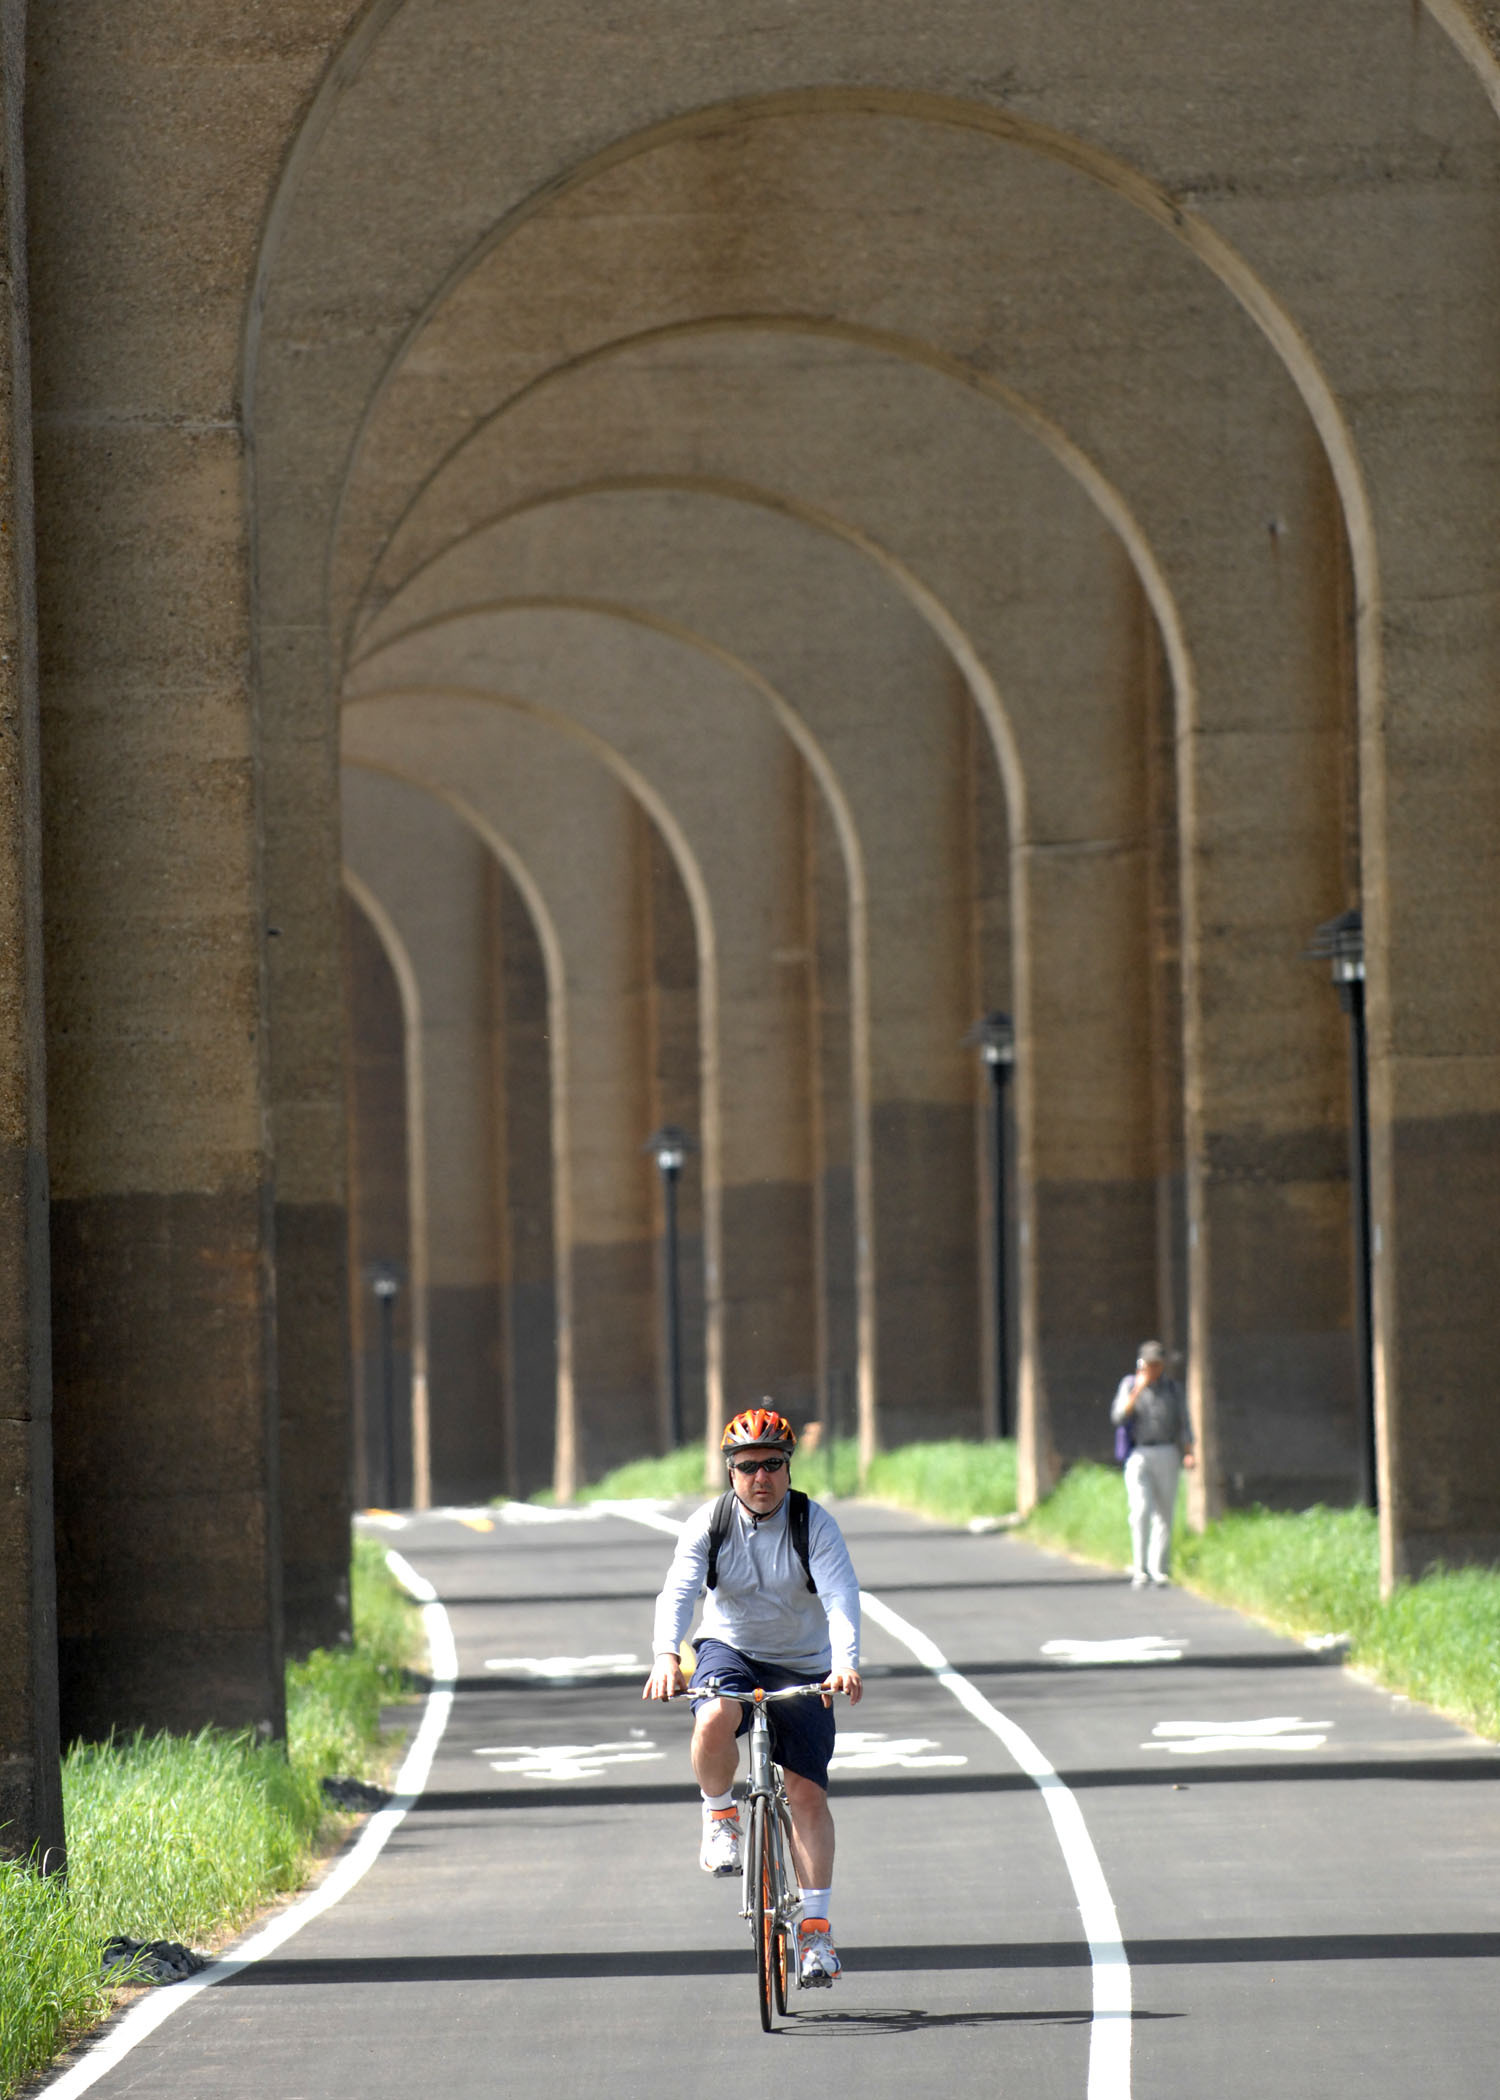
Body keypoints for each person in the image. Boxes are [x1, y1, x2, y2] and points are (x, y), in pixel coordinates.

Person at [643, 1405, 863, 1988]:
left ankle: (814, 1933)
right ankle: (720, 1816)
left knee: (807, 1795)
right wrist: (666, 1655)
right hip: (731, 1649)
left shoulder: (813, 1524)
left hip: (805, 1660)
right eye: (747, 1467)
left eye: (771, 1464)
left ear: (788, 1468)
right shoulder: (709, 1524)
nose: (760, 1477)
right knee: (715, 1712)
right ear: (730, 1472)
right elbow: (679, 1591)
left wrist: (845, 1663)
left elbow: (841, 1595)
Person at [1110, 1340, 1196, 1588]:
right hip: (1139, 1453)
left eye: (1157, 1364)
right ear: (1141, 1364)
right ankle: (1140, 1568)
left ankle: (1159, 1568)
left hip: (1167, 1451)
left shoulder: (1173, 1389)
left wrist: (1188, 1452)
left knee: (1164, 1513)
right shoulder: (1129, 1385)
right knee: (1140, 1510)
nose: (1154, 1369)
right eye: (1149, 1364)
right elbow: (1118, 1417)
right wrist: (1138, 1389)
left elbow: (1184, 1422)